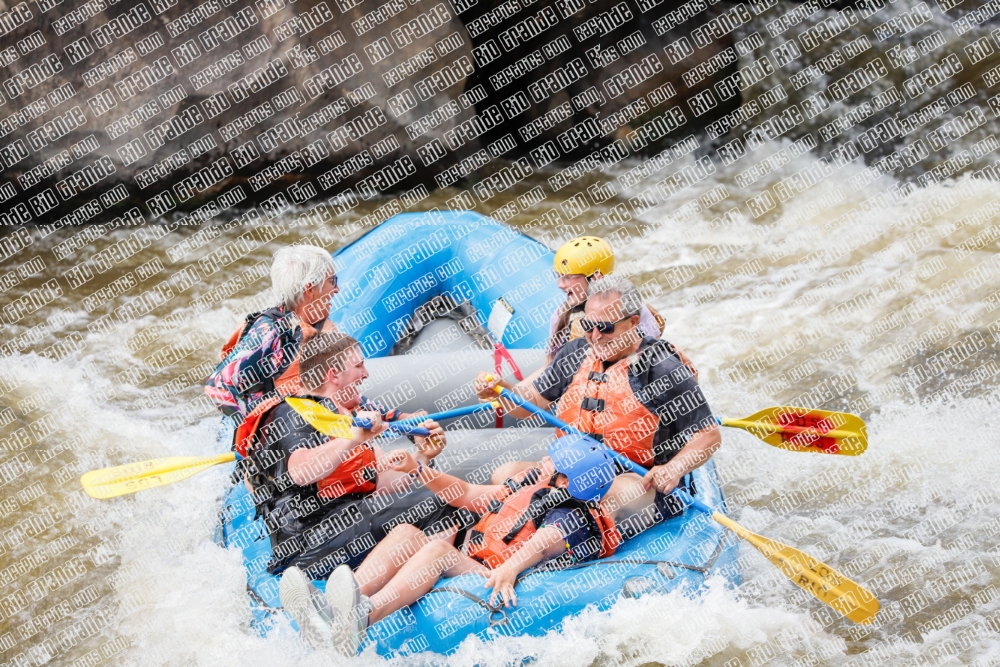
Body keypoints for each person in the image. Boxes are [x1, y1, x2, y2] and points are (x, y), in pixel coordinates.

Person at [279, 436, 638, 655]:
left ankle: (362, 617)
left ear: (565, 479)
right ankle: (335, 606)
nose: (543, 461)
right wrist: (418, 469)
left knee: (438, 551)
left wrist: (510, 568)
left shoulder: (572, 516)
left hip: (505, 580)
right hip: (481, 563)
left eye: (553, 462)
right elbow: (467, 494)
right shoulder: (536, 487)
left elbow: (541, 545)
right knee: (407, 533)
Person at [238, 331, 472, 604]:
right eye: (359, 366)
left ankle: (419, 585)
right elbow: (302, 472)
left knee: (444, 499)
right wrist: (353, 438)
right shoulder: (293, 414)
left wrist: (422, 456)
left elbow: (384, 485)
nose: (366, 374)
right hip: (308, 546)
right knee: (437, 504)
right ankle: (358, 600)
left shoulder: (344, 416)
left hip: (345, 527)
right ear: (334, 375)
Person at [477, 274, 722, 531]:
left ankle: (556, 532)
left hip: (638, 481)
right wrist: (503, 392)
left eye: (605, 328)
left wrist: (673, 469)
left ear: (633, 322)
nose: (595, 336)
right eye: (588, 326)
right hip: (574, 473)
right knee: (504, 474)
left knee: (610, 494)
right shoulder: (576, 352)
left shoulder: (662, 368)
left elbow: (709, 435)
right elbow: (533, 404)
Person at [204, 244, 344, 423]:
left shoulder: (318, 328)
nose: (337, 289)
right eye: (332, 281)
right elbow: (216, 387)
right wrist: (248, 432)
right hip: (265, 439)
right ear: (310, 289)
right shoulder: (270, 332)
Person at [548, 236, 697, 378]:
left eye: (568, 277)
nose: (560, 285)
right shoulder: (560, 315)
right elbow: (550, 366)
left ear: (596, 277)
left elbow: (652, 361)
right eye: (558, 277)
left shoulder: (634, 310)